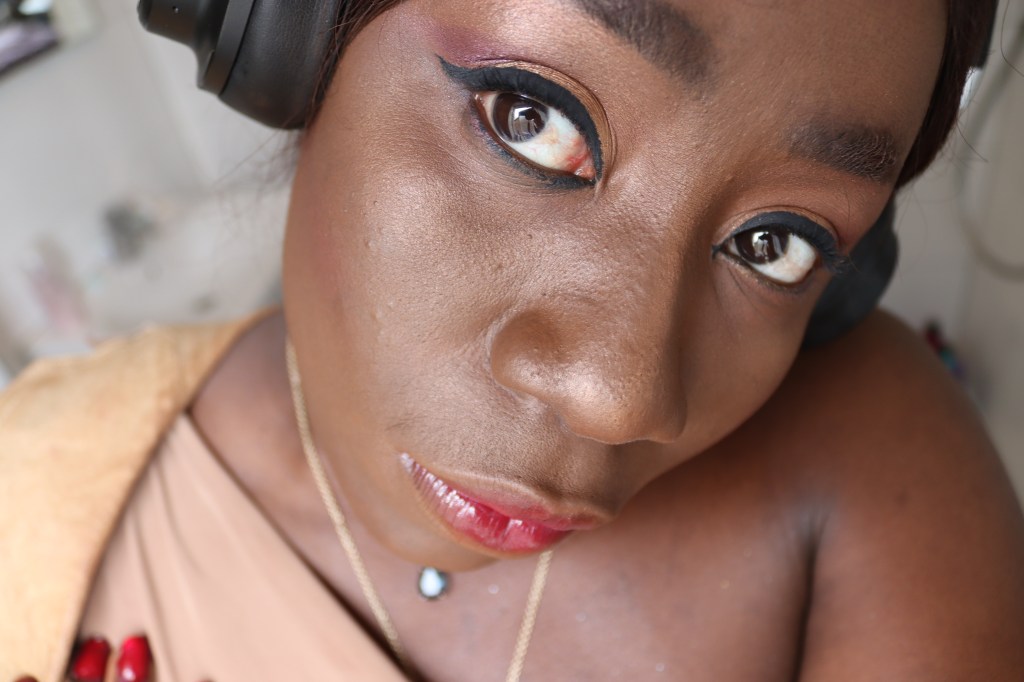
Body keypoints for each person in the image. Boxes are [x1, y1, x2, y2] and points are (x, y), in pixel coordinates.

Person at [2, 0, 1023, 680]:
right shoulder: (27, 492)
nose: (618, 398)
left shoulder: (867, 465)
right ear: (292, 31)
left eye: (777, 244)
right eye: (534, 119)